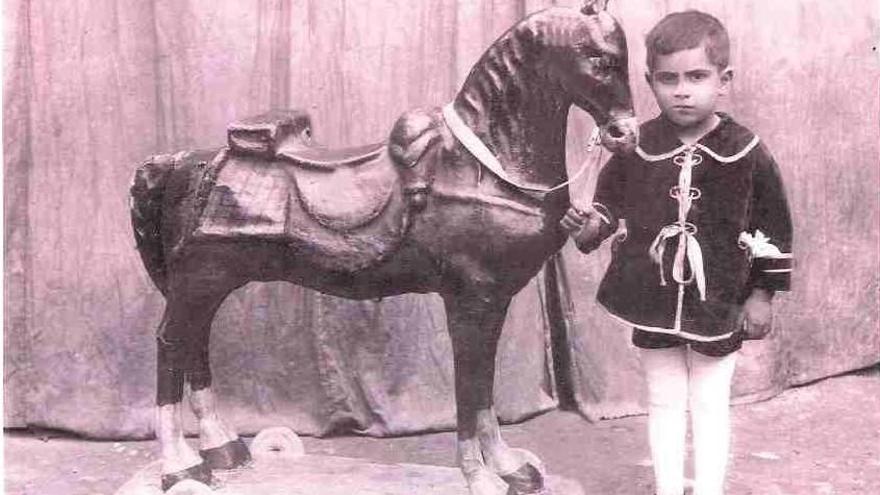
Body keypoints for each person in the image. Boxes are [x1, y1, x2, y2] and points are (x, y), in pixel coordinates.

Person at [560, 10, 793, 495]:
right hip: (652, 295)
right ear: (650, 82)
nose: (682, 90)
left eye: (697, 77)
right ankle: (668, 488)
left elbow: (773, 226)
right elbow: (608, 205)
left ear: (723, 81)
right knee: (664, 400)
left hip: (720, 300)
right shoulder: (637, 146)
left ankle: (708, 489)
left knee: (709, 403)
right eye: (668, 79)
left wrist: (763, 296)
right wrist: (589, 226)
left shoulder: (746, 151)